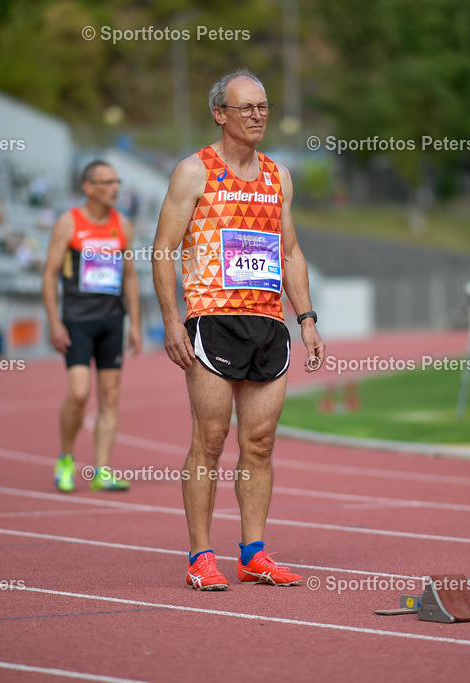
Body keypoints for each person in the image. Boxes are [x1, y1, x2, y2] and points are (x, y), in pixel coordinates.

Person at [152, 69, 325, 591]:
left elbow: (290, 251)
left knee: (261, 442)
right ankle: (201, 556)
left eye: (263, 106)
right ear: (219, 114)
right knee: (209, 439)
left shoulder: (279, 176)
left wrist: (308, 319)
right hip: (211, 319)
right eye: (246, 107)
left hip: (268, 323)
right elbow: (163, 249)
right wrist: (170, 318)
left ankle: (253, 552)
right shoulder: (194, 172)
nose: (258, 115)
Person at [42, 160, 142, 492]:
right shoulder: (68, 223)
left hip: (112, 320)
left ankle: (101, 471)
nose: (116, 188)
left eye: (117, 181)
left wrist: (135, 323)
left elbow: (129, 276)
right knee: (80, 393)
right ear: (89, 187)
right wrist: (55, 321)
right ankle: (66, 458)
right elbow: (49, 274)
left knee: (110, 398)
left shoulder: (123, 224)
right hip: (77, 321)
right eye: (108, 182)